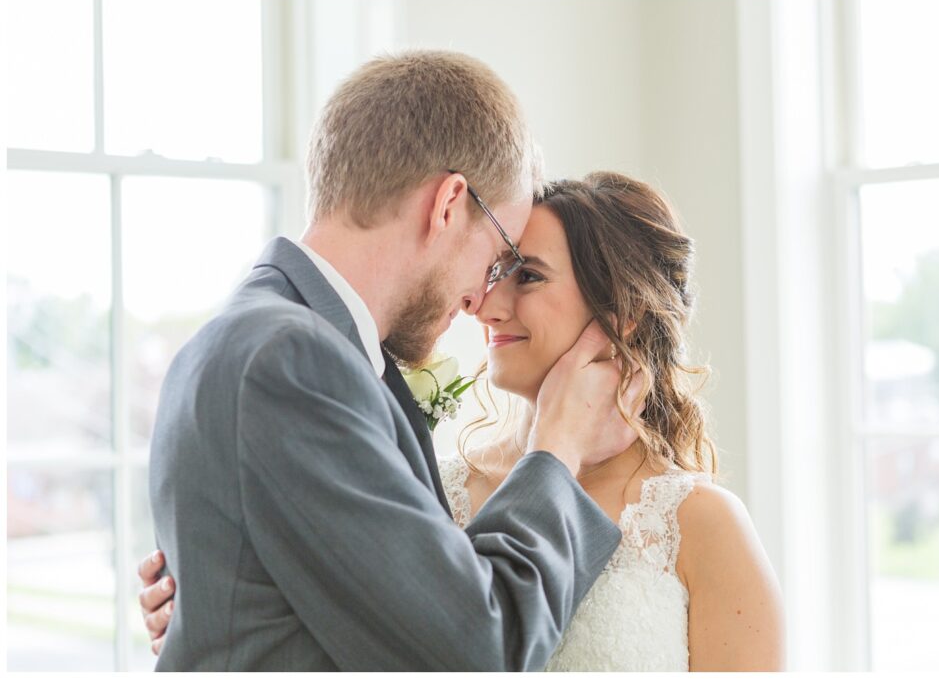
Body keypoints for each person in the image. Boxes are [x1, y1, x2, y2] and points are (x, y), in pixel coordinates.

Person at [142, 172, 786, 670]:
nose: (487, 304)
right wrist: (216, 598)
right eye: (495, 270)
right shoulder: (432, 488)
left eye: (526, 276)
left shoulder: (698, 522)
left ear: (623, 315)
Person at [144, 50, 644, 671]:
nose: (480, 299)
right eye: (497, 260)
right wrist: (558, 446)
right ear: (448, 203)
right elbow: (476, 651)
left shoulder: (257, 338)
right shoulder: (290, 363)